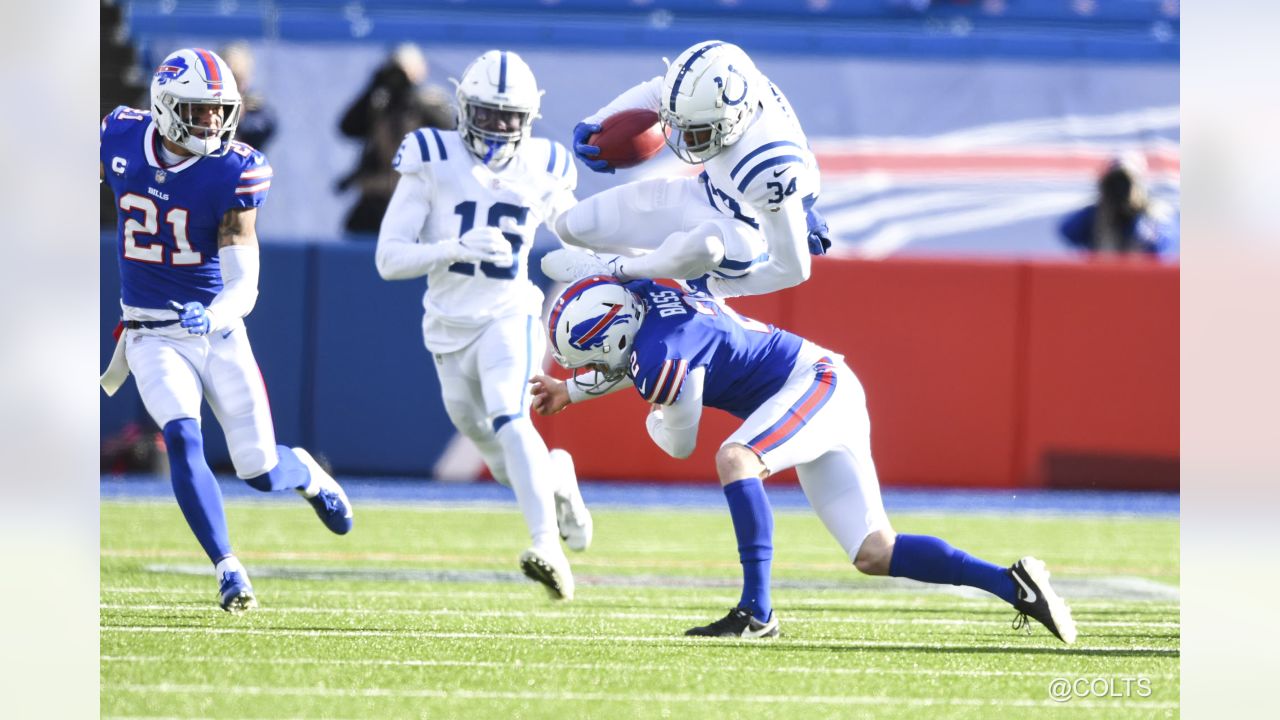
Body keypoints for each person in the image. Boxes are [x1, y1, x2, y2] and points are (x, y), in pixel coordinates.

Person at [531, 275, 1078, 643]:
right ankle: (1015, 586)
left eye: (595, 361)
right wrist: (573, 391)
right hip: (814, 384)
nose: (599, 370)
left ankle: (757, 612)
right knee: (874, 552)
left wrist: (652, 410)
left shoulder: (659, 354)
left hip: (815, 382)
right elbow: (639, 351)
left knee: (736, 457)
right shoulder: (649, 290)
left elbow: (678, 440)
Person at [99, 47, 354, 613]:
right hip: (150, 333)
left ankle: (307, 476)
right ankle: (228, 568)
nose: (212, 123)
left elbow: (246, 282)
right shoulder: (118, 136)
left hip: (216, 330)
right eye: (199, 111)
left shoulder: (234, 170)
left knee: (260, 471)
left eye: (219, 111)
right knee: (183, 436)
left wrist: (213, 314)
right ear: (166, 108)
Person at [374, 50, 593, 600]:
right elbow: (388, 258)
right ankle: (558, 477)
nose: (497, 127)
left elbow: (579, 232)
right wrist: (451, 248)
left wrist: (628, 259)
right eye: (487, 114)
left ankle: (547, 546)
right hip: (447, 323)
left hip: (508, 312)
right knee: (497, 455)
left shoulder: (544, 165)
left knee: (508, 413)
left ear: (528, 118)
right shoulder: (431, 156)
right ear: (463, 109)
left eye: (508, 117)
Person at [541, 39, 832, 300]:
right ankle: (648, 276)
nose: (687, 141)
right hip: (709, 193)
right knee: (571, 227)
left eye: (699, 132)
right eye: (683, 128)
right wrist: (598, 121)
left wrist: (719, 289)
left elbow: (793, 269)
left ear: (736, 118)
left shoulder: (767, 164)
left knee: (705, 248)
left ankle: (620, 270)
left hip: (748, 229)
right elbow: (660, 90)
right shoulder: (727, 77)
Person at [338, 43, 455, 235]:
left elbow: (449, 132)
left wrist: (413, 95)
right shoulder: (379, 105)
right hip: (376, 199)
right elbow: (347, 127)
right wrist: (373, 86)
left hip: (416, 198)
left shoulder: (429, 102)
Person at [1059, 152, 1179, 257]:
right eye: (1115, 183)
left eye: (1127, 183)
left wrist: (1141, 219)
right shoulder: (1094, 215)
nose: (1121, 189)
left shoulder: (1155, 214)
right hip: (1104, 277)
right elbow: (1067, 230)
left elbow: (1160, 246)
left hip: (1140, 278)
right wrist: (1103, 208)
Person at [219, 41, 278, 151]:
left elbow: (265, 127)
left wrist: (240, 118)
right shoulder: (210, 105)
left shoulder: (254, 105)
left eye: (238, 79)